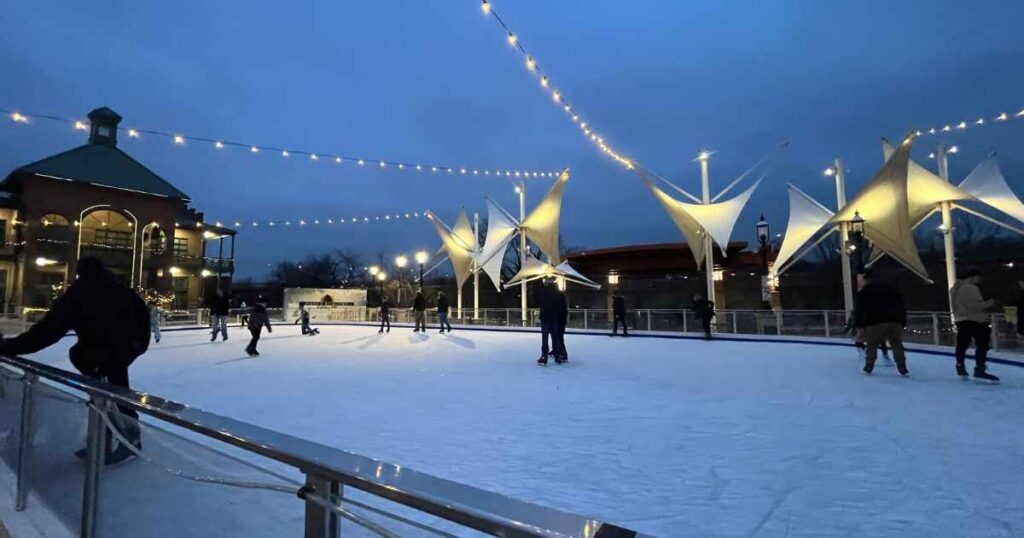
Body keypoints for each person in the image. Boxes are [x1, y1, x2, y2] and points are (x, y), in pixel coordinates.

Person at [0, 257, 150, 464]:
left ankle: (121, 439)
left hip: (101, 354)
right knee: (112, 389)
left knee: (106, 393)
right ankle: (112, 439)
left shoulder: (81, 293)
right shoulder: (122, 291)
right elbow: (143, 320)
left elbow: (47, 332)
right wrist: (134, 347)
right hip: (117, 352)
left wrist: (9, 347)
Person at [951, 269, 999, 382]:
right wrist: (991, 302)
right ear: (972, 277)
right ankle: (980, 369)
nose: (979, 280)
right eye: (978, 277)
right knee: (982, 345)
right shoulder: (970, 288)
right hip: (975, 320)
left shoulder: (955, 289)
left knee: (962, 344)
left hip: (961, 319)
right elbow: (976, 305)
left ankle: (960, 366)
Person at [538, 280, 569, 365]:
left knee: (545, 338)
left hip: (545, 319)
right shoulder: (558, 295)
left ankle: (544, 356)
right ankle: (558, 355)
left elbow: (540, 302)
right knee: (556, 338)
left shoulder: (544, 294)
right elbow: (562, 309)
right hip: (555, 320)